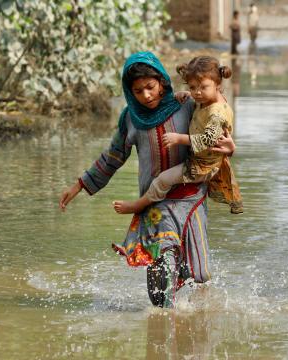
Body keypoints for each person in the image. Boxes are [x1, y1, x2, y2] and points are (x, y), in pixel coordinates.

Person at [58, 52, 236, 308]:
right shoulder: (130, 119)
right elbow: (112, 157)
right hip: (154, 204)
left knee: (201, 274)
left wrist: (230, 148)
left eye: (150, 87)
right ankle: (163, 326)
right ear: (130, 93)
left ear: (162, 82)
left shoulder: (187, 105)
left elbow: (217, 130)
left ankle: (197, 331)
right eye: (138, 91)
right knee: (161, 283)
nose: (147, 95)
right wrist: (79, 185)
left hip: (192, 199)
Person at [113, 56, 243, 215]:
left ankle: (138, 205)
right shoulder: (205, 101)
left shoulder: (217, 113)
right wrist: (187, 93)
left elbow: (208, 140)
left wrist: (179, 139)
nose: (197, 92)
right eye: (193, 87)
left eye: (202, 87)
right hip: (202, 160)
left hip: (202, 165)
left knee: (162, 180)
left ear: (218, 84)